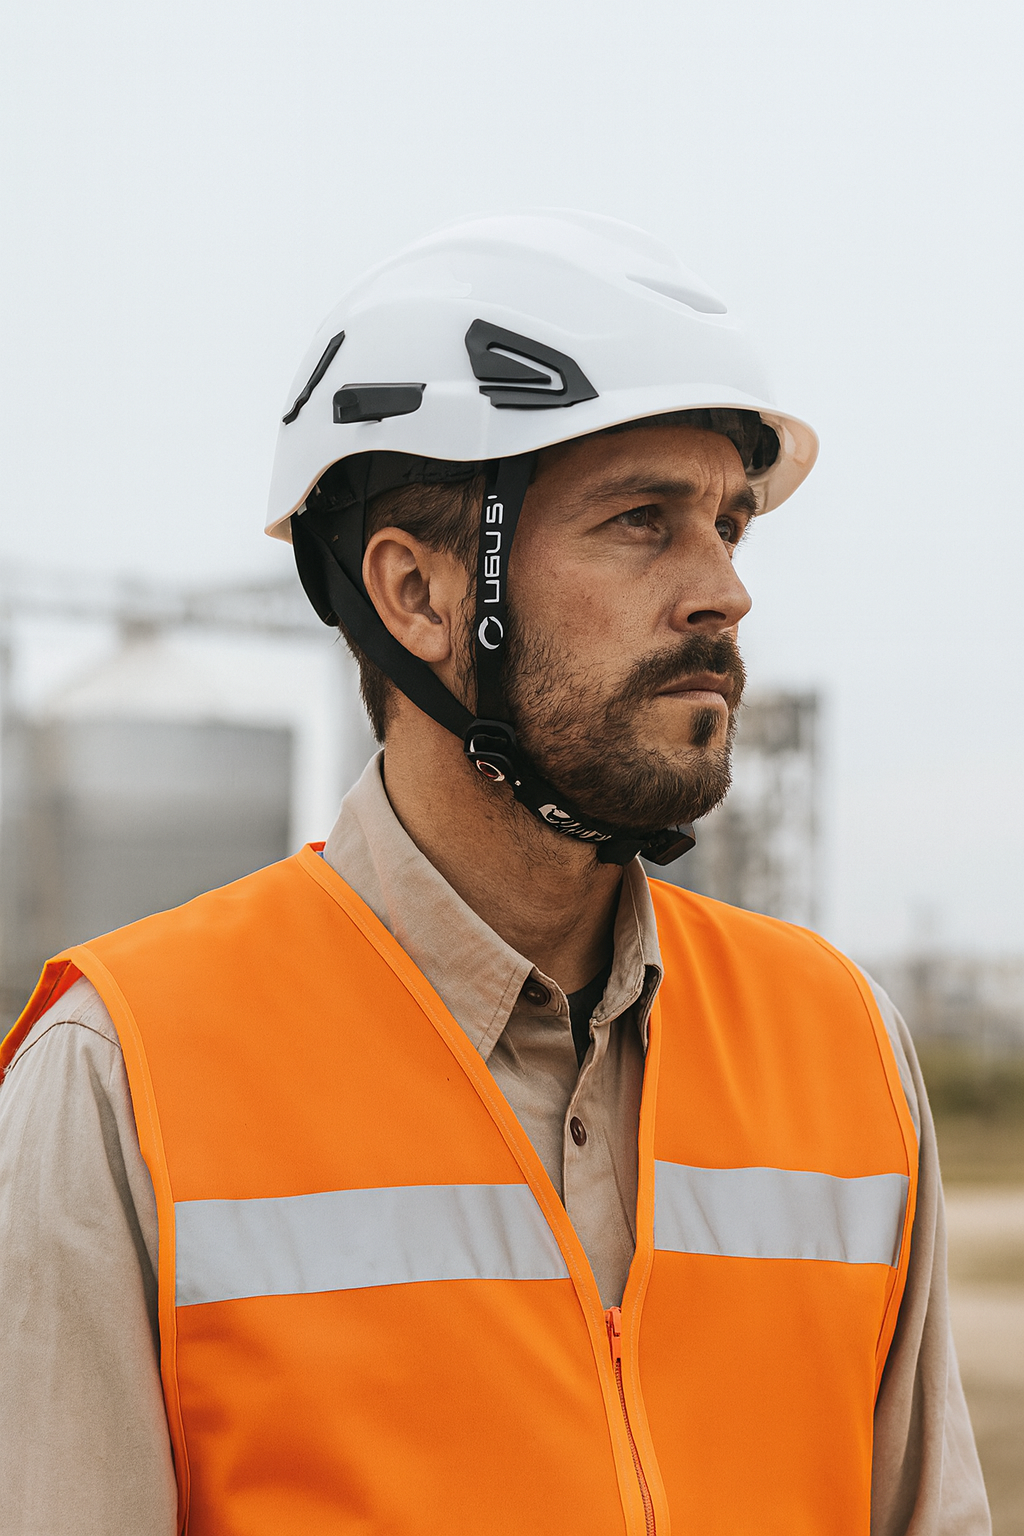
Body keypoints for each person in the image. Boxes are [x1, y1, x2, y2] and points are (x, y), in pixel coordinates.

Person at [0, 211, 989, 1536]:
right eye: (643, 521)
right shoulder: (125, 1073)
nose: (723, 593)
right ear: (414, 595)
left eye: (730, 527)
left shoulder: (843, 1046)